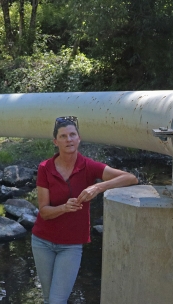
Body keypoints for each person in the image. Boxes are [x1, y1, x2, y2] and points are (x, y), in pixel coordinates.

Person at [31, 116, 138, 304]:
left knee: (56, 301)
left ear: (79, 138)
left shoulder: (88, 166)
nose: (69, 139)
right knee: (49, 299)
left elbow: (130, 178)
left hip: (71, 245)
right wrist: (64, 208)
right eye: (63, 136)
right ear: (56, 142)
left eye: (72, 135)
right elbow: (44, 211)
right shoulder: (45, 168)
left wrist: (98, 187)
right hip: (42, 241)